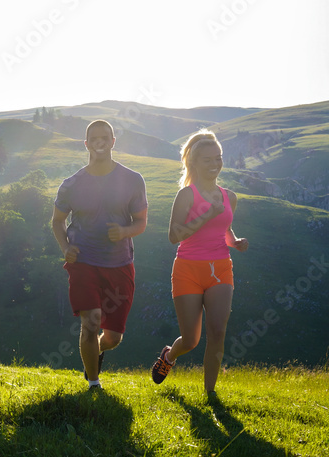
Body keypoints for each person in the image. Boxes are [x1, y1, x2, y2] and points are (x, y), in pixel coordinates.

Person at [51, 120, 148, 390]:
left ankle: (97, 353)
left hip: (120, 264)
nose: (100, 142)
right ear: (86, 144)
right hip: (83, 261)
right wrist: (66, 248)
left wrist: (125, 230)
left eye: (105, 137)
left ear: (113, 141)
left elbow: (141, 222)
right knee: (91, 322)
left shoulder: (132, 179)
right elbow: (57, 221)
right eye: (94, 138)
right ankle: (93, 384)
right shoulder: (71, 184)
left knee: (113, 337)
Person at [151, 130, 248, 395]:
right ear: (194, 162)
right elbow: (174, 236)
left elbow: (224, 230)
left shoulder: (230, 197)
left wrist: (236, 241)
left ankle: (210, 393)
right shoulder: (187, 195)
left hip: (220, 268)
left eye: (218, 158)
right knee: (191, 340)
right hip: (188, 269)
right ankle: (169, 356)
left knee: (217, 331)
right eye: (207, 159)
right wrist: (207, 215)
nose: (215, 164)